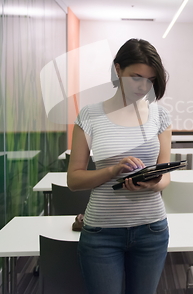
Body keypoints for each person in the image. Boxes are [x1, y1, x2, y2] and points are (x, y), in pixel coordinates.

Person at [67, 39, 172, 294]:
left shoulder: (160, 115)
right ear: (118, 69)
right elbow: (74, 180)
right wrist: (112, 171)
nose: (143, 85)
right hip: (102, 232)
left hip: (152, 228)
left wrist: (153, 182)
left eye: (149, 79)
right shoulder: (90, 115)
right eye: (136, 77)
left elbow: (166, 176)